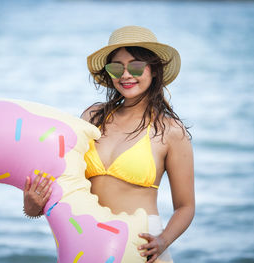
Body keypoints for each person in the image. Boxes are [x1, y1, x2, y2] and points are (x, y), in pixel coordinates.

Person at [23, 25, 195, 263]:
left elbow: (185, 206)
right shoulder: (93, 117)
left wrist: (163, 240)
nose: (125, 75)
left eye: (135, 66)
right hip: (87, 242)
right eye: (116, 67)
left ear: (154, 69)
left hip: (143, 247)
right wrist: (34, 206)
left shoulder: (171, 132)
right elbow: (69, 185)